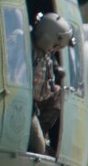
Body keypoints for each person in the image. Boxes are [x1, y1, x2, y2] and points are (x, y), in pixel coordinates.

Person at [28, 11, 73, 155]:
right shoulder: (24, 44)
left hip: (38, 101)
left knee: (59, 92)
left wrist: (56, 70)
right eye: (55, 45)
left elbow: (50, 66)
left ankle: (44, 130)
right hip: (26, 105)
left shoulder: (45, 53)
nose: (54, 49)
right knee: (39, 148)